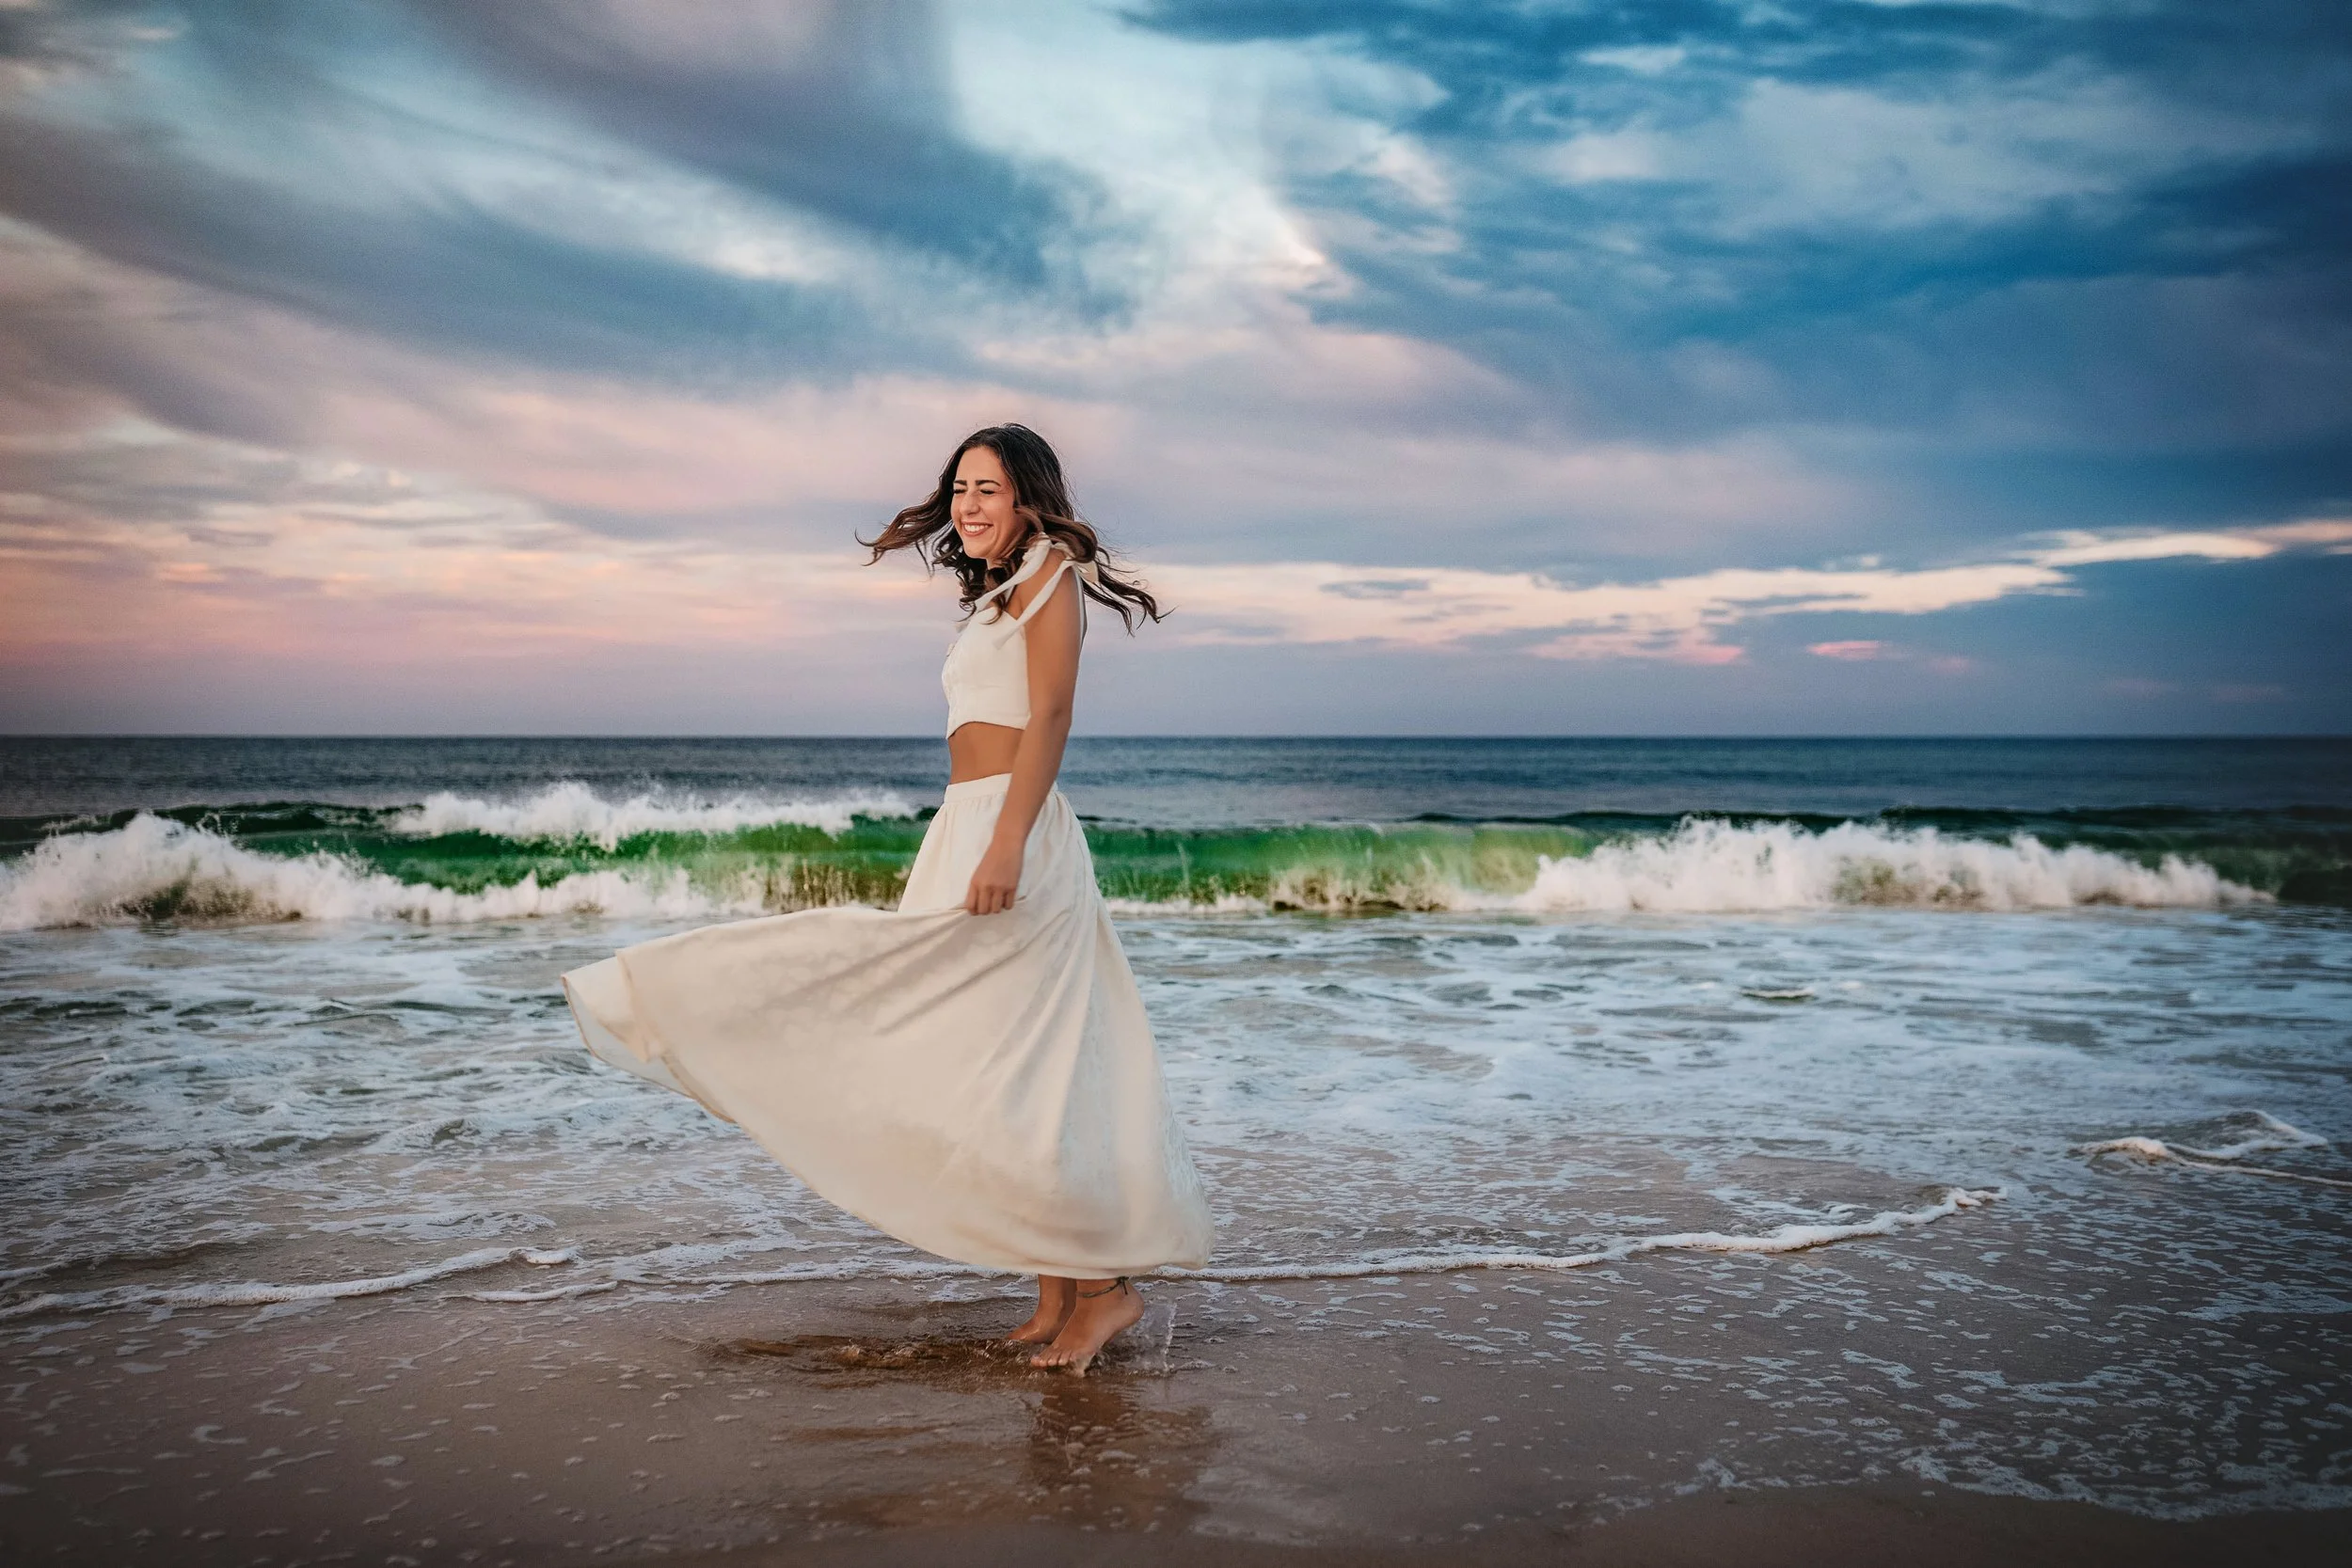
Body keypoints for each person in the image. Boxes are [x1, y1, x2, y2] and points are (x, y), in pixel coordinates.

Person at [562, 423, 1214, 1372]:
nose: (968, 506)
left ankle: (1105, 1289)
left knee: (1020, 1071)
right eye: (959, 489)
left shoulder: (1049, 573)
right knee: (992, 1062)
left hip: (1012, 832)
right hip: (967, 824)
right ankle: (1055, 1289)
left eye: (987, 488)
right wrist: (975, 833)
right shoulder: (995, 592)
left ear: (1029, 495)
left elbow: (1053, 715)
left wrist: (1005, 839)